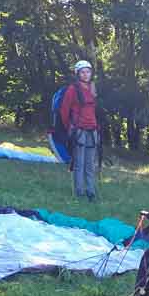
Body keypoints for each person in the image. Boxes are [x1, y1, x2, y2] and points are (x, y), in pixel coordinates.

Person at [59, 59, 99, 200]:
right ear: (78, 74)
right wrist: (68, 128)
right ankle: (79, 191)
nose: (86, 74)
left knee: (90, 164)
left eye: (88, 72)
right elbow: (64, 110)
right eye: (83, 72)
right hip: (78, 130)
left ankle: (91, 191)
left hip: (92, 129)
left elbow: (94, 109)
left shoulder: (92, 88)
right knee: (79, 163)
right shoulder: (72, 89)